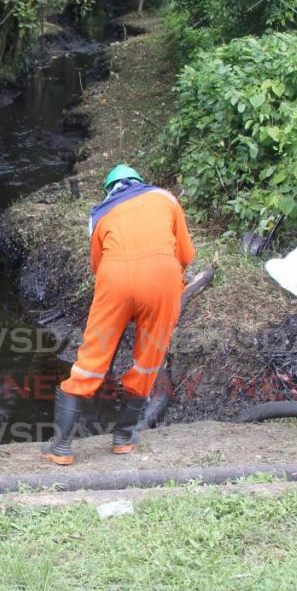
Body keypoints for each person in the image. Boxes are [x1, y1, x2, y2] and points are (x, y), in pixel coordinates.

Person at [41, 165, 195, 465]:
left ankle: (61, 447)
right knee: (148, 359)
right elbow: (186, 255)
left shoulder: (100, 214)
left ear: (109, 189)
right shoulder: (165, 198)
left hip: (115, 281)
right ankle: (123, 438)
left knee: (91, 359)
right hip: (163, 279)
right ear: (139, 182)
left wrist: (126, 296)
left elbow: (98, 266)